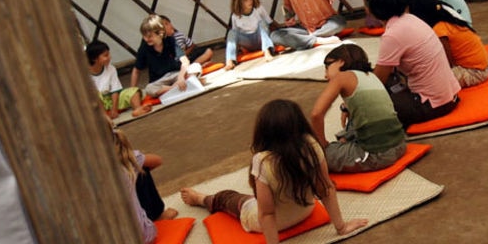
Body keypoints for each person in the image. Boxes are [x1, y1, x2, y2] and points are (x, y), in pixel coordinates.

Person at [179, 99, 367, 244]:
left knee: (230, 197)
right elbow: (326, 188)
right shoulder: (312, 145)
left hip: (270, 223)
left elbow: (266, 214)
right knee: (260, 197)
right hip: (306, 210)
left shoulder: (262, 161)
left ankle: (201, 199)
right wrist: (341, 227)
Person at [365, 0, 461, 128]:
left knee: (371, 103)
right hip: (451, 96)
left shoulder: (392, 35)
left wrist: (350, 103)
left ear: (372, 7)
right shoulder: (411, 19)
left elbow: (377, 82)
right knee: (382, 79)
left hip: (433, 104)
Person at [310, 44, 406, 172]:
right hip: (400, 145)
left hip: (376, 155)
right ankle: (346, 142)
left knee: (310, 155)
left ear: (340, 62)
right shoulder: (371, 76)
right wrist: (346, 108)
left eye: (327, 67)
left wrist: (322, 145)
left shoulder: (341, 77)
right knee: (353, 123)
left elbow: (316, 114)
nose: (325, 75)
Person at [408, 0, 488, 87]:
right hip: (482, 66)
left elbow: (446, 62)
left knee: (427, 82)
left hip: (475, 72)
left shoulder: (439, 30)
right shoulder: (449, 20)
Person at [111, 126, 160, 244]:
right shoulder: (128, 159)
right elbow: (157, 160)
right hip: (142, 236)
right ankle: (158, 214)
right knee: (140, 169)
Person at [130, 14, 193, 98]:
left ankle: (173, 87)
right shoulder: (144, 48)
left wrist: (181, 76)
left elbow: (184, 60)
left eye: (150, 36)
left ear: (160, 33)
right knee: (149, 89)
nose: (146, 39)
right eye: (144, 36)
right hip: (159, 80)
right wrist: (132, 91)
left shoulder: (170, 40)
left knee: (195, 68)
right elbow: (136, 70)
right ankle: (174, 87)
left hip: (175, 73)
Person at [87, 40, 151, 118]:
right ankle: (104, 118)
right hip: (97, 103)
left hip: (110, 99)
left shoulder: (111, 68)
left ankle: (138, 109)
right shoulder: (84, 74)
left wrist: (114, 109)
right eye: (106, 55)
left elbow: (115, 90)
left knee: (133, 91)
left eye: (109, 54)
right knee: (96, 95)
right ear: (94, 59)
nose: (109, 57)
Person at [225, 0, 280, 70]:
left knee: (262, 23)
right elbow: (235, 35)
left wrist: (278, 35)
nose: (250, 1)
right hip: (248, 43)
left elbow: (269, 23)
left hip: (260, 39)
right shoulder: (235, 16)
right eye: (246, 0)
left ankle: (267, 52)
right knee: (232, 32)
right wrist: (239, 49)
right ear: (239, 2)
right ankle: (230, 61)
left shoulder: (258, 8)